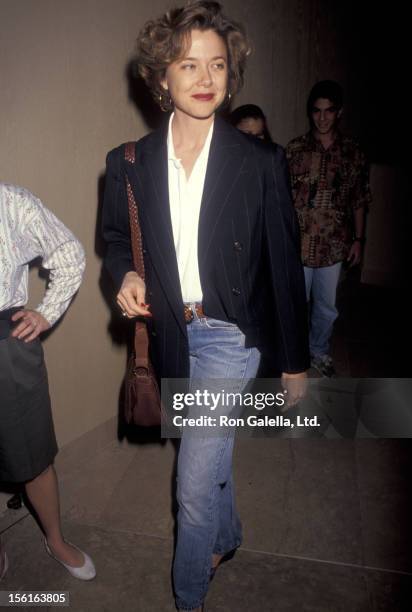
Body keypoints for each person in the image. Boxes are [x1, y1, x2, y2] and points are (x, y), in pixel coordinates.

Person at [102, 2, 309, 610]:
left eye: (217, 64)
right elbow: (116, 239)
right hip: (168, 331)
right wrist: (127, 272)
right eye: (188, 64)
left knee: (192, 482)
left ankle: (188, 597)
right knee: (205, 448)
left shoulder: (260, 162)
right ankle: (230, 533)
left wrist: (294, 361)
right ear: (161, 76)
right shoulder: (129, 163)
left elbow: (283, 263)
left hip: (228, 335)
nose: (205, 78)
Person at [0, 183, 95, 582]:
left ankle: (55, 539)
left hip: (6, 346)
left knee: (34, 455)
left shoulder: (10, 202)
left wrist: (45, 312)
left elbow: (69, 254)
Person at [286, 80, 371, 377]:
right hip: (298, 244)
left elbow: (360, 198)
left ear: (339, 113)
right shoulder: (295, 149)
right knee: (296, 304)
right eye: (316, 111)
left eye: (329, 111)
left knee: (326, 306)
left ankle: (319, 351)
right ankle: (294, 355)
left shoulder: (352, 152)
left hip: (334, 246)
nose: (322, 118)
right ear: (310, 113)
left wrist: (359, 239)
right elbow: (282, 199)